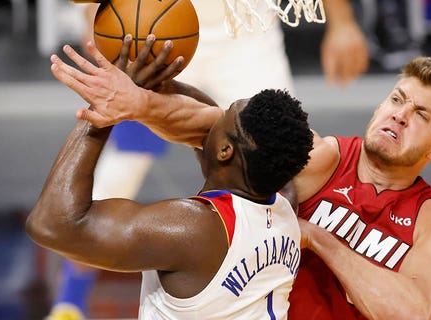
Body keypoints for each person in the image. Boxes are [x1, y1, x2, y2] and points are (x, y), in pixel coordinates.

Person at [51, 42, 431, 319]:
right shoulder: (322, 156)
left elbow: (412, 314)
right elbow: (210, 127)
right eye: (397, 99)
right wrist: (137, 101)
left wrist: (318, 237)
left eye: (421, 115)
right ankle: (70, 299)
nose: (400, 114)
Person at [49, 0, 370, 316]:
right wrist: (96, 17)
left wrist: (342, 20)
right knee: (121, 171)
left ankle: (290, 297)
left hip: (244, 29)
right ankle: (70, 303)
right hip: (151, 27)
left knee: (286, 168)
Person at [27, 36, 315, 319]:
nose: (213, 113)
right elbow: (207, 132)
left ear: (226, 150)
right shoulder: (285, 203)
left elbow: (53, 223)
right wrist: (154, 85)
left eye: (225, 113)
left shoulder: (193, 229)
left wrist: (102, 106)